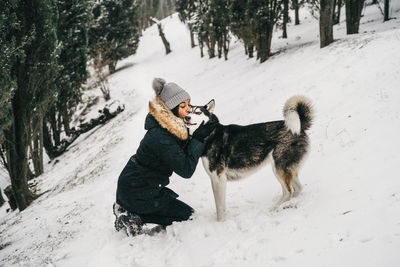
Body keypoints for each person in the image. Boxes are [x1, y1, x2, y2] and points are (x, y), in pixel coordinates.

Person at [113, 78, 216, 236]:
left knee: (182, 214)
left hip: (140, 187)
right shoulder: (160, 136)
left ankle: (129, 208)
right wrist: (198, 139)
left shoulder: (172, 127)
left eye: (189, 104)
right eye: (183, 106)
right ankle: (131, 214)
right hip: (137, 190)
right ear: (171, 110)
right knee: (188, 216)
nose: (189, 109)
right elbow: (186, 169)